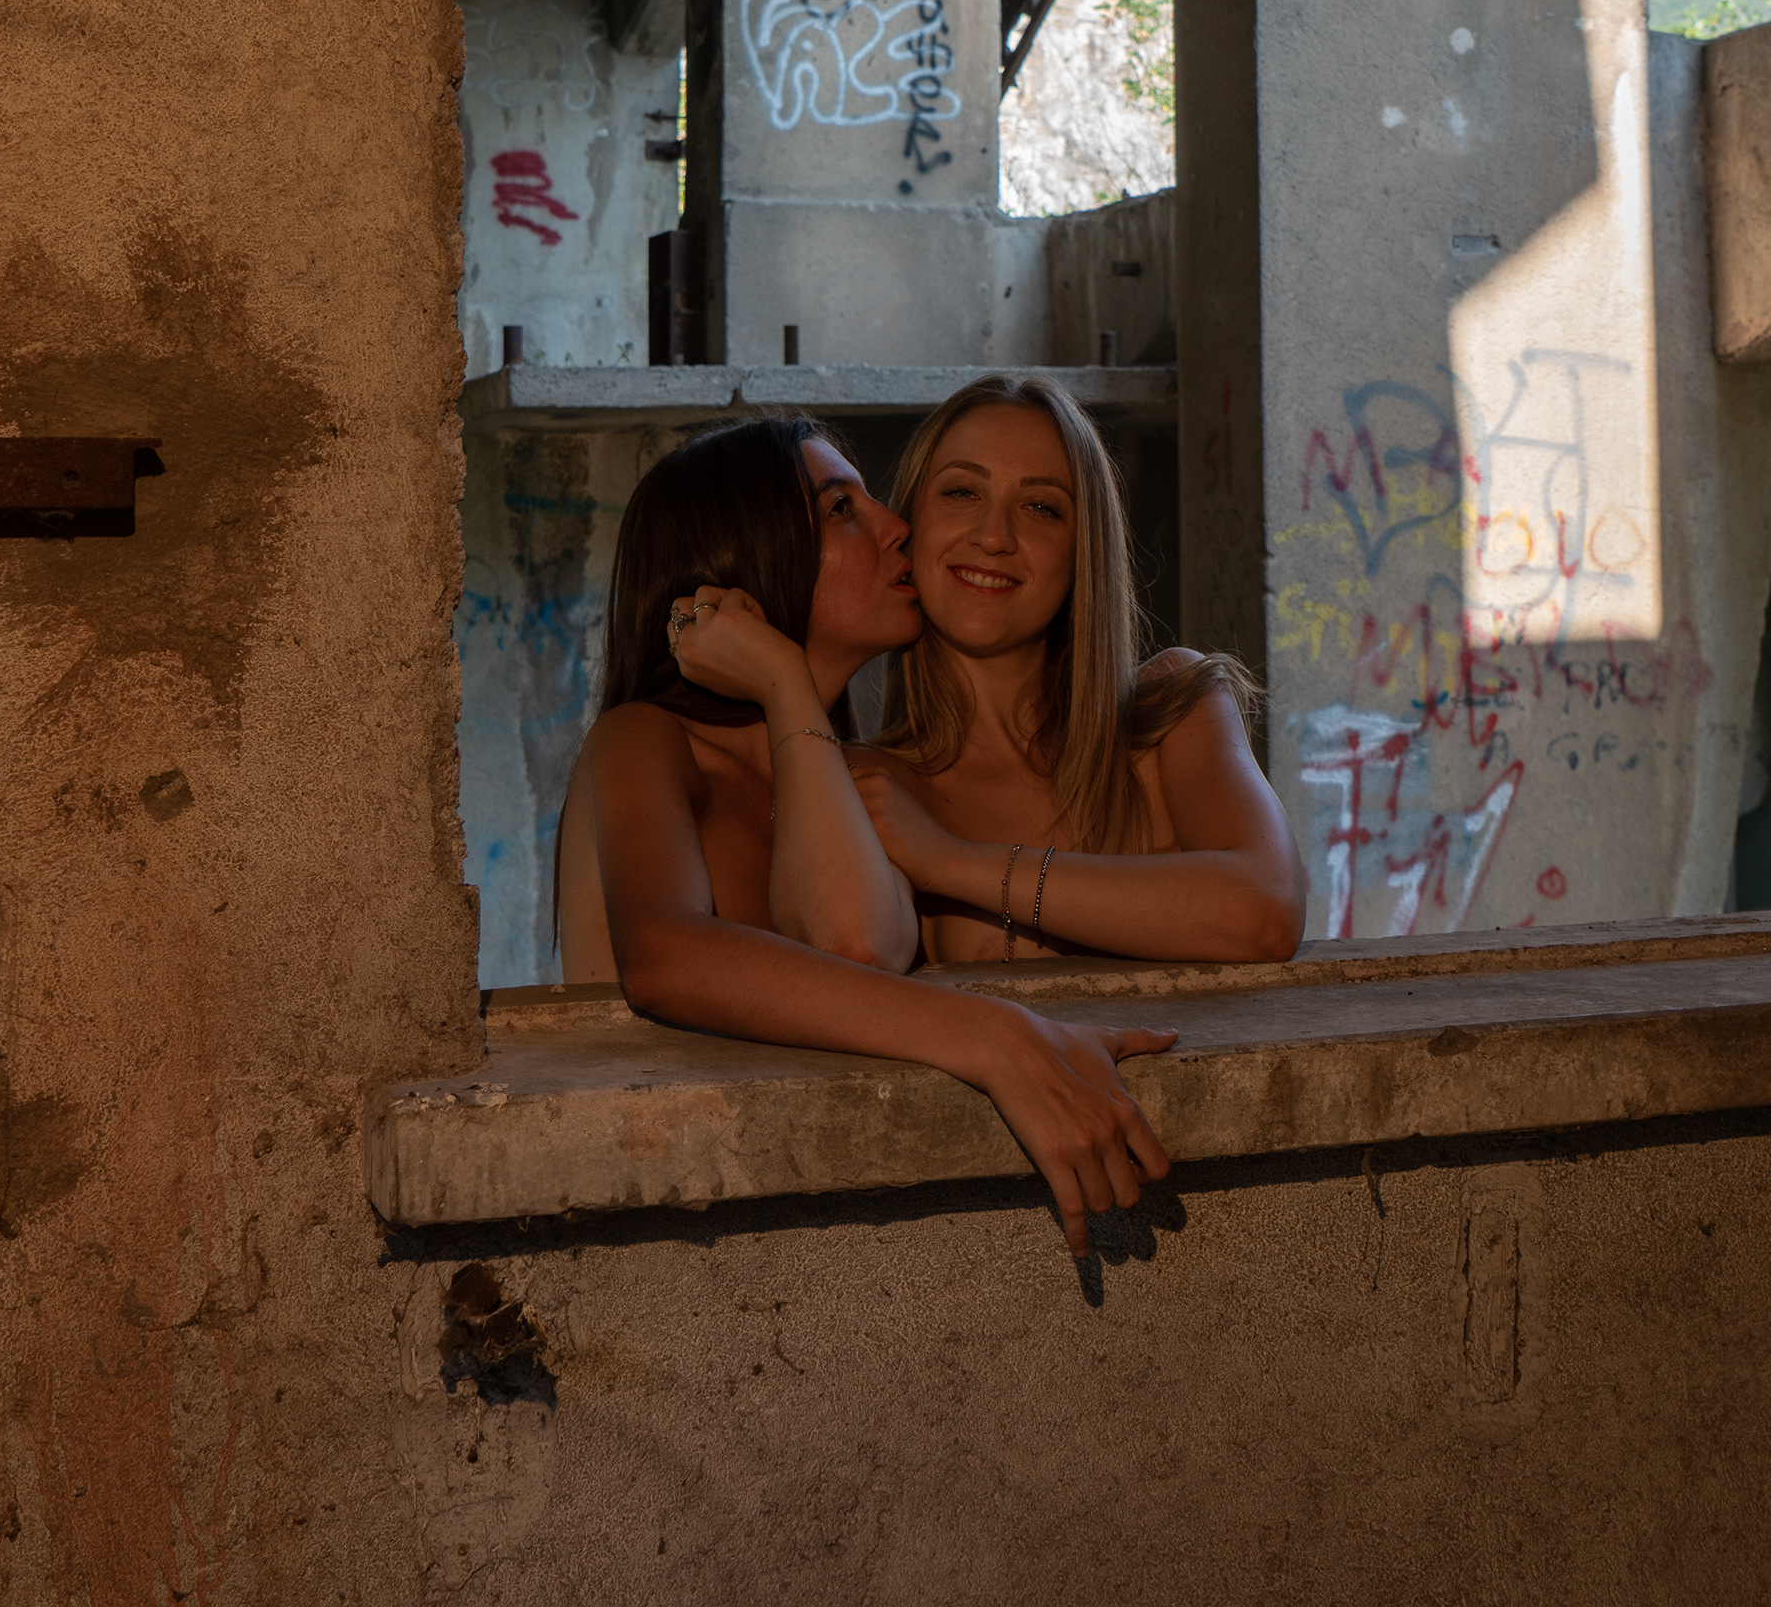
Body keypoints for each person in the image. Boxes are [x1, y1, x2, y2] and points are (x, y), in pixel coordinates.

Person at [550, 414, 1179, 1252]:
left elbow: (860, 943)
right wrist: (995, 1034)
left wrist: (788, 693)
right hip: (659, 1250)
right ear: (747, 557)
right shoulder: (643, 739)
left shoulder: (845, 776)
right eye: (842, 508)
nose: (897, 526)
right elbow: (665, 955)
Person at [856, 376, 1304, 964]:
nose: (994, 536)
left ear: (1083, 550)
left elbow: (1266, 915)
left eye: (1040, 507)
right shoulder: (868, 784)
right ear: (910, 523)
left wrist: (945, 860)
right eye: (962, 492)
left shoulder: (1172, 712)